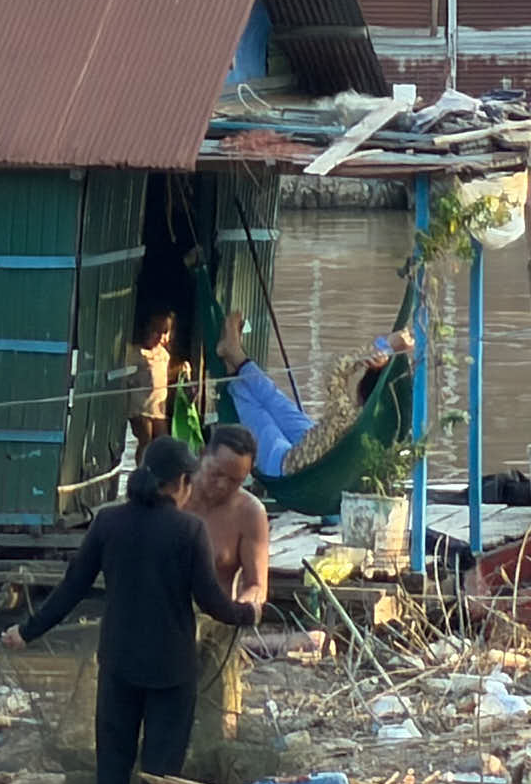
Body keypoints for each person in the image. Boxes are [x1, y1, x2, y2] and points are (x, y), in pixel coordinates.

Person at [3, 436, 259, 784]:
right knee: (160, 774)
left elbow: (72, 588)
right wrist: (246, 613)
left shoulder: (108, 522)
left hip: (118, 666)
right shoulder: (189, 530)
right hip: (171, 673)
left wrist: (27, 631)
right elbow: (212, 601)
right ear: (181, 482)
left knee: (112, 770)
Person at [218, 310, 414, 475]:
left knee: (261, 415)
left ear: (362, 391)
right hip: (315, 445)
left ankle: (233, 361)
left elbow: (334, 370)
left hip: (286, 465)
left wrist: (383, 346)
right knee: (277, 401)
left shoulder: (348, 417)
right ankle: (234, 357)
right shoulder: (394, 430)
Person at [183, 424, 268, 752]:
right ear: (202, 455)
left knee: (218, 729)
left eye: (235, 481)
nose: (222, 486)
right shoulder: (174, 496)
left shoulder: (249, 512)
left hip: (216, 627)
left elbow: (257, 584)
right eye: (216, 474)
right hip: (164, 621)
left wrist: (245, 606)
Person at [127, 311, 181, 462]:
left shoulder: (164, 355)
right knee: (145, 440)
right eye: (157, 331)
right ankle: (142, 469)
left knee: (163, 441)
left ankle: (160, 470)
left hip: (158, 407)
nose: (161, 337)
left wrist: (180, 369)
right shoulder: (136, 353)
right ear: (148, 330)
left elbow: (164, 376)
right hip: (140, 407)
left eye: (165, 332)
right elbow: (126, 376)